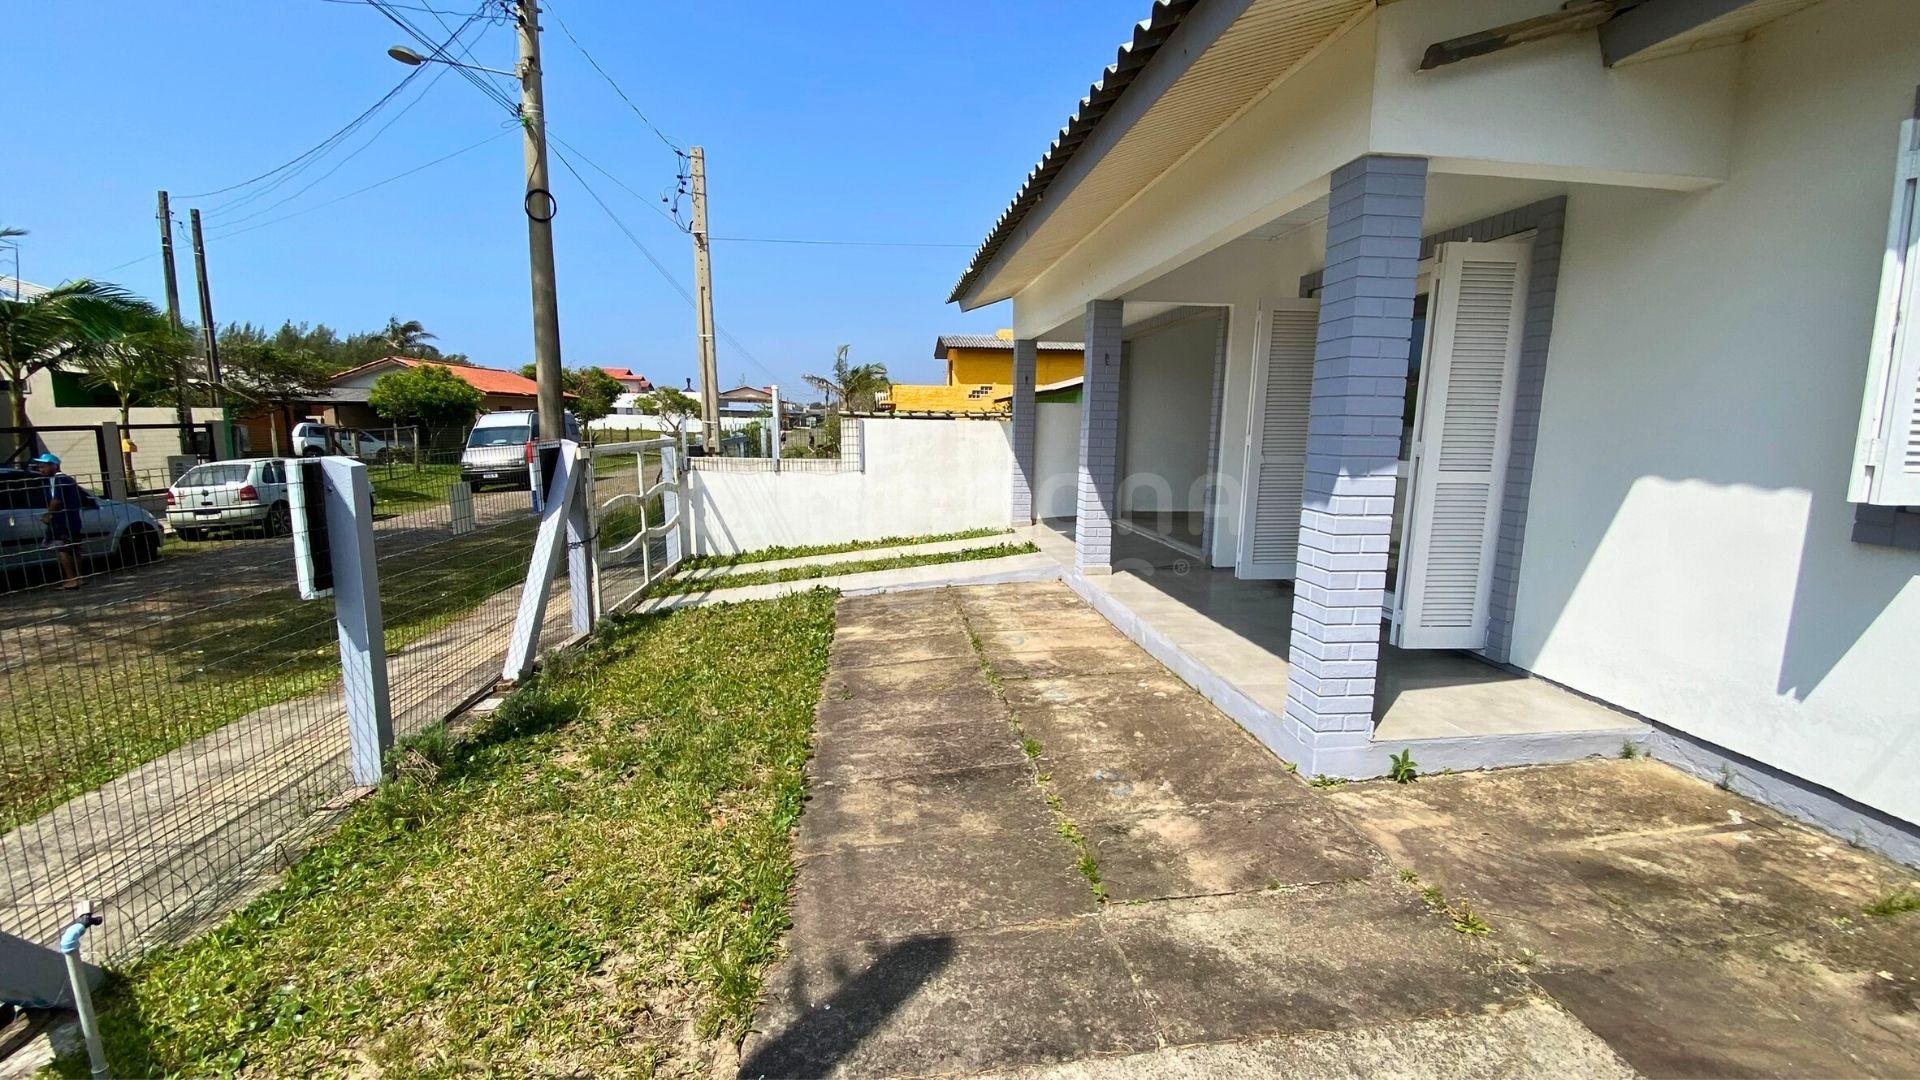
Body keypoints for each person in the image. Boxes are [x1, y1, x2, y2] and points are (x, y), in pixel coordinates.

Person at [31, 453, 84, 590]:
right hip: (73, 520)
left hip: (62, 521)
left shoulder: (57, 480)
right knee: (74, 548)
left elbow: (56, 500)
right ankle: (79, 577)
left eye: (43, 466)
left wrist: (48, 514)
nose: (40, 469)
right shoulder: (68, 479)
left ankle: (71, 579)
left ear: (54, 466)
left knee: (62, 549)